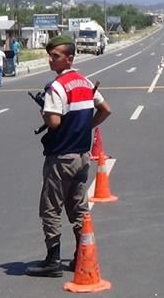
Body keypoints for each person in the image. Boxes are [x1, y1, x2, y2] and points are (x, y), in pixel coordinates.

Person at [26, 35, 111, 278]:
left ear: (69, 58)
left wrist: (44, 111)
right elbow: (106, 110)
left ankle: (52, 260)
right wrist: (87, 128)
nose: (51, 60)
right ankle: (81, 254)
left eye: (55, 56)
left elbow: (53, 122)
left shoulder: (58, 87)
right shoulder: (84, 82)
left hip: (61, 156)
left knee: (50, 207)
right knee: (78, 207)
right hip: (82, 156)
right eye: (50, 56)